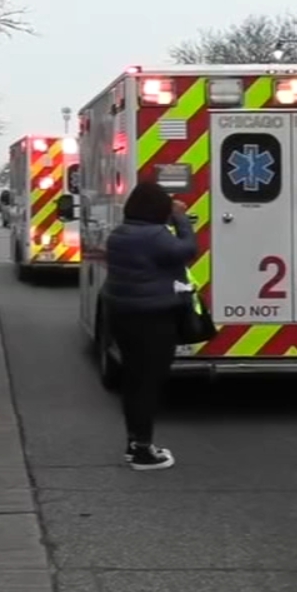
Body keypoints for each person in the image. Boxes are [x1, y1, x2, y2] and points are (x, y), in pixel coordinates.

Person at [103, 181, 198, 471]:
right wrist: (180, 218)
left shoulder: (120, 234)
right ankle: (144, 452)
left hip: (123, 315)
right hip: (153, 319)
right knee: (148, 383)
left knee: (134, 381)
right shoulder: (155, 235)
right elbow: (187, 250)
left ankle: (135, 444)